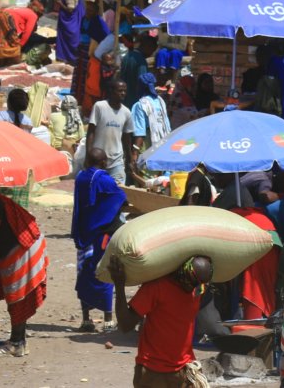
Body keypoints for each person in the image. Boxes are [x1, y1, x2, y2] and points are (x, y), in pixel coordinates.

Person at [113, 257, 214, 388]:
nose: (192, 289)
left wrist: (119, 285)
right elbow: (126, 325)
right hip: (166, 372)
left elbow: (125, 324)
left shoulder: (158, 286)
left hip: (162, 372)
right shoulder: (197, 291)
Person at [0, 194, 48, 358]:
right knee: (18, 297)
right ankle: (19, 341)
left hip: (21, 247)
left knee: (17, 298)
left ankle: (16, 343)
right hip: (19, 243)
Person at [72, 147, 126, 333]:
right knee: (104, 272)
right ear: (104, 162)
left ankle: (86, 319)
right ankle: (108, 319)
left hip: (84, 232)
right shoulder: (104, 179)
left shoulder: (80, 177)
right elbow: (119, 197)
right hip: (102, 234)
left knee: (84, 272)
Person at [88, 78, 135, 186]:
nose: (123, 93)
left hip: (116, 161)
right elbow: (91, 132)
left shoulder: (126, 112)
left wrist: (130, 159)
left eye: (124, 91)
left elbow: (126, 139)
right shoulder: (100, 107)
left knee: (118, 192)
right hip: (97, 160)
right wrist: (88, 155)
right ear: (111, 91)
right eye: (120, 91)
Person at [130, 71, 171, 158]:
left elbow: (140, 132)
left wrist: (135, 153)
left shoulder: (140, 105)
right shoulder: (160, 101)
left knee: (146, 169)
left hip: (148, 143)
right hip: (163, 143)